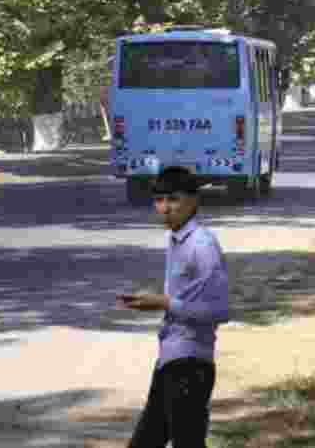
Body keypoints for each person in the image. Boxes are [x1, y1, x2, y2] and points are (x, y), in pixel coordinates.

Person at [118, 166, 231, 448]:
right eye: (159, 200)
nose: (165, 208)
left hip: (191, 365)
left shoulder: (202, 244)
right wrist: (156, 304)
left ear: (193, 200)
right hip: (170, 359)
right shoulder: (177, 239)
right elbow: (186, 300)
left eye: (173, 199)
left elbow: (219, 310)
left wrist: (166, 303)